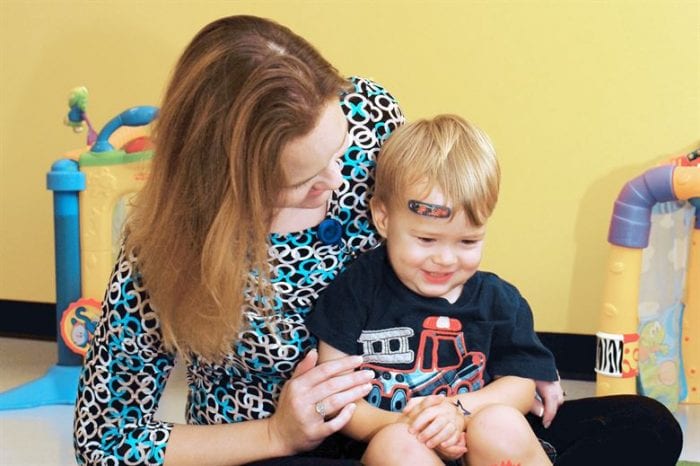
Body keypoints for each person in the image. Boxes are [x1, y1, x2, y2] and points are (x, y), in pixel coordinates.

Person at [72, 14, 682, 466]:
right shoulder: (162, 252)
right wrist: (275, 434)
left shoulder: (366, 117)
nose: (340, 182)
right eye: (303, 180)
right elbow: (104, 440)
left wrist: (507, 377)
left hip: (437, 415)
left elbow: (443, 220)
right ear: (229, 185)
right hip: (290, 449)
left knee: (645, 427)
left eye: (338, 152)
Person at [307, 115, 558, 466]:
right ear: (384, 218)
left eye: (468, 241)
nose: (445, 259)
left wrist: (459, 412)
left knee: (501, 423)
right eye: (426, 239)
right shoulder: (357, 290)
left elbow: (520, 385)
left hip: (474, 443)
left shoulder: (498, 300)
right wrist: (413, 425)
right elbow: (338, 396)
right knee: (398, 444)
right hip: (394, 443)